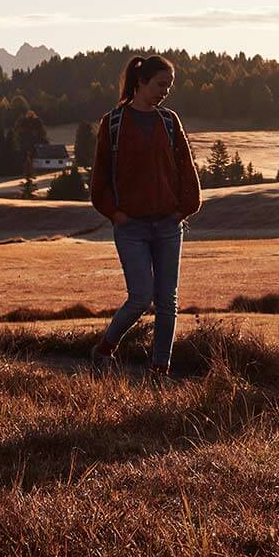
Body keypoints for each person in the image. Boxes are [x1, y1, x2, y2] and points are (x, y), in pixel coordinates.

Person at [89, 54, 200, 377]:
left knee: (168, 303)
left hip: (168, 224)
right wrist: (115, 213)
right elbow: (100, 177)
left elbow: (186, 168)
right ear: (141, 83)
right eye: (161, 84)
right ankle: (105, 348)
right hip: (131, 227)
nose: (166, 91)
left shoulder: (169, 121)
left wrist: (184, 208)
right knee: (140, 297)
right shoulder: (113, 123)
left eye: (169, 85)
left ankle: (159, 370)